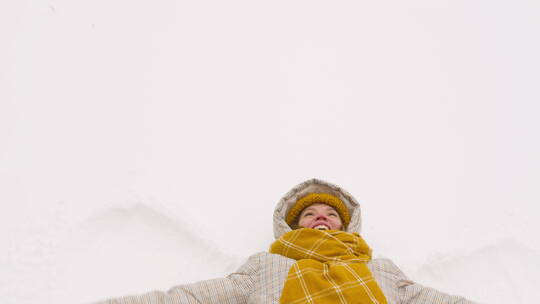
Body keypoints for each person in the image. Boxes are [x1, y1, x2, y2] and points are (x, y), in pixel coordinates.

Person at [96, 178, 477, 304]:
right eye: (309, 215)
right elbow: (194, 298)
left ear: (347, 226)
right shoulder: (267, 265)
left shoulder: (381, 269)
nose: (321, 218)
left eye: (330, 214)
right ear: (291, 227)